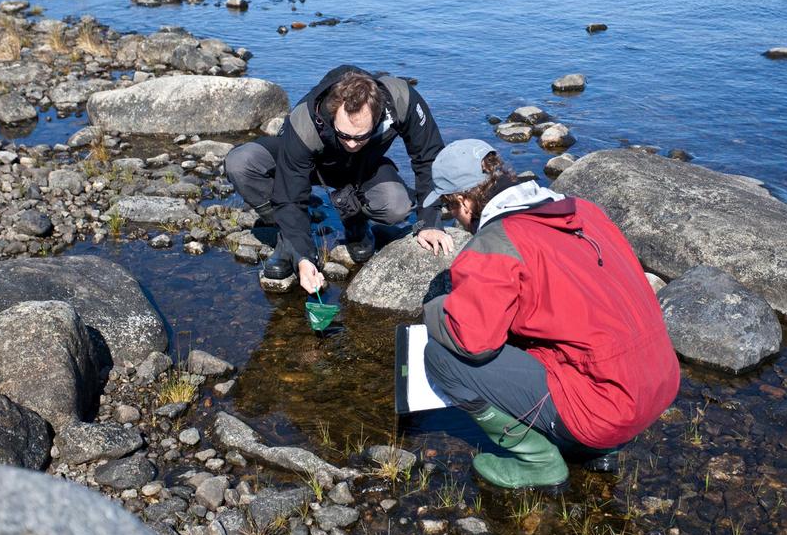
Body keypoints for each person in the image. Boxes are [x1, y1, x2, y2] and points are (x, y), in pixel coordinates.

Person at [421, 139, 680, 489]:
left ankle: (538, 461)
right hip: (659, 384)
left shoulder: (496, 242)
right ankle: (597, 449)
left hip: (605, 410)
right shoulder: (584, 211)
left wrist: (435, 308)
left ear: (465, 200)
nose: (455, 218)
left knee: (440, 356)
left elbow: (473, 341)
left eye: (451, 208)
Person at [225, 66, 455, 294]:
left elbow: (430, 158)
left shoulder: (401, 100)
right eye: (344, 135)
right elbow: (290, 195)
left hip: (365, 168)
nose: (352, 143)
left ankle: (356, 221)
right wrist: (304, 257)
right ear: (333, 112)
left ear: (378, 115)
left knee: (396, 205)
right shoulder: (305, 120)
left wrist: (430, 221)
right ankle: (287, 239)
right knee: (241, 163)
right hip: (314, 166)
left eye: (361, 136)